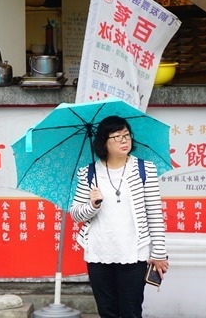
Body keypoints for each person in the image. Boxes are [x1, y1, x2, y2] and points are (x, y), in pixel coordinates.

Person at [69, 115, 168, 318]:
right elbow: (76, 214)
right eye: (117, 136)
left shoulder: (144, 169)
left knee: (131, 311)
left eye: (127, 135)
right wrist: (92, 204)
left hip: (133, 253)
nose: (124, 140)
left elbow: (154, 213)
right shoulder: (88, 173)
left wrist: (159, 252)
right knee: (107, 312)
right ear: (103, 142)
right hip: (99, 254)